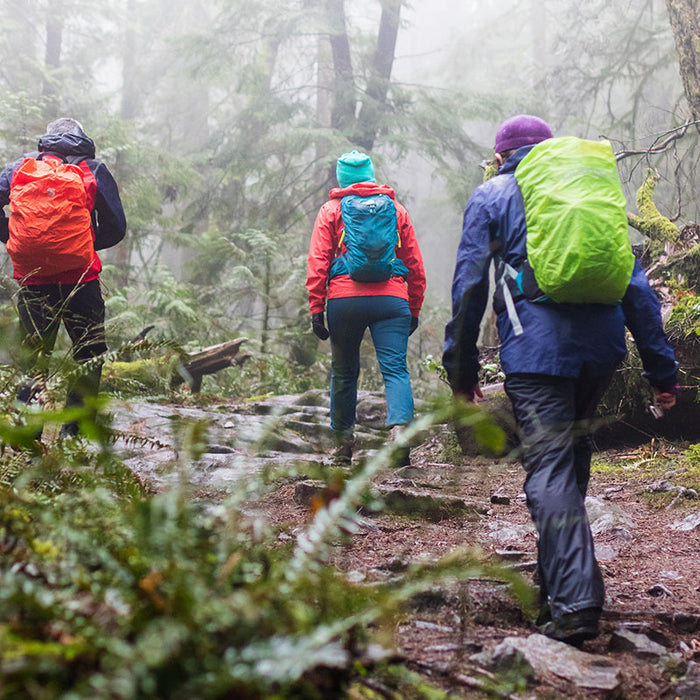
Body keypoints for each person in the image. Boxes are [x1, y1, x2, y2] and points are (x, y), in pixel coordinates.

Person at [442, 115, 678, 646]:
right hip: (602, 349)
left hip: (535, 350)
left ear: (500, 155)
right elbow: (636, 286)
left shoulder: (494, 194)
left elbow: (469, 286)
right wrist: (662, 370)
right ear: (549, 152)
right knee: (570, 460)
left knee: (548, 466)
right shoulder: (587, 193)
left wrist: (460, 371)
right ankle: (555, 591)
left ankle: (575, 604)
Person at [0, 117, 127, 439]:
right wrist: (79, 243)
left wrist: (13, 237)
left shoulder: (19, 169)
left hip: (33, 280)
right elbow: (116, 228)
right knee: (89, 354)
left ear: (47, 140)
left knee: (35, 360)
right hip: (81, 280)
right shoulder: (93, 170)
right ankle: (74, 436)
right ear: (82, 138)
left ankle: (26, 444)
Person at [306, 150, 426, 465]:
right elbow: (413, 263)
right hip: (392, 300)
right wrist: (413, 307)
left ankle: (343, 445)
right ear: (371, 175)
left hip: (345, 301)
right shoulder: (396, 210)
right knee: (396, 369)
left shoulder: (331, 210)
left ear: (341, 178)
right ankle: (399, 431)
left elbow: (318, 261)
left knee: (344, 373)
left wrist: (317, 307)